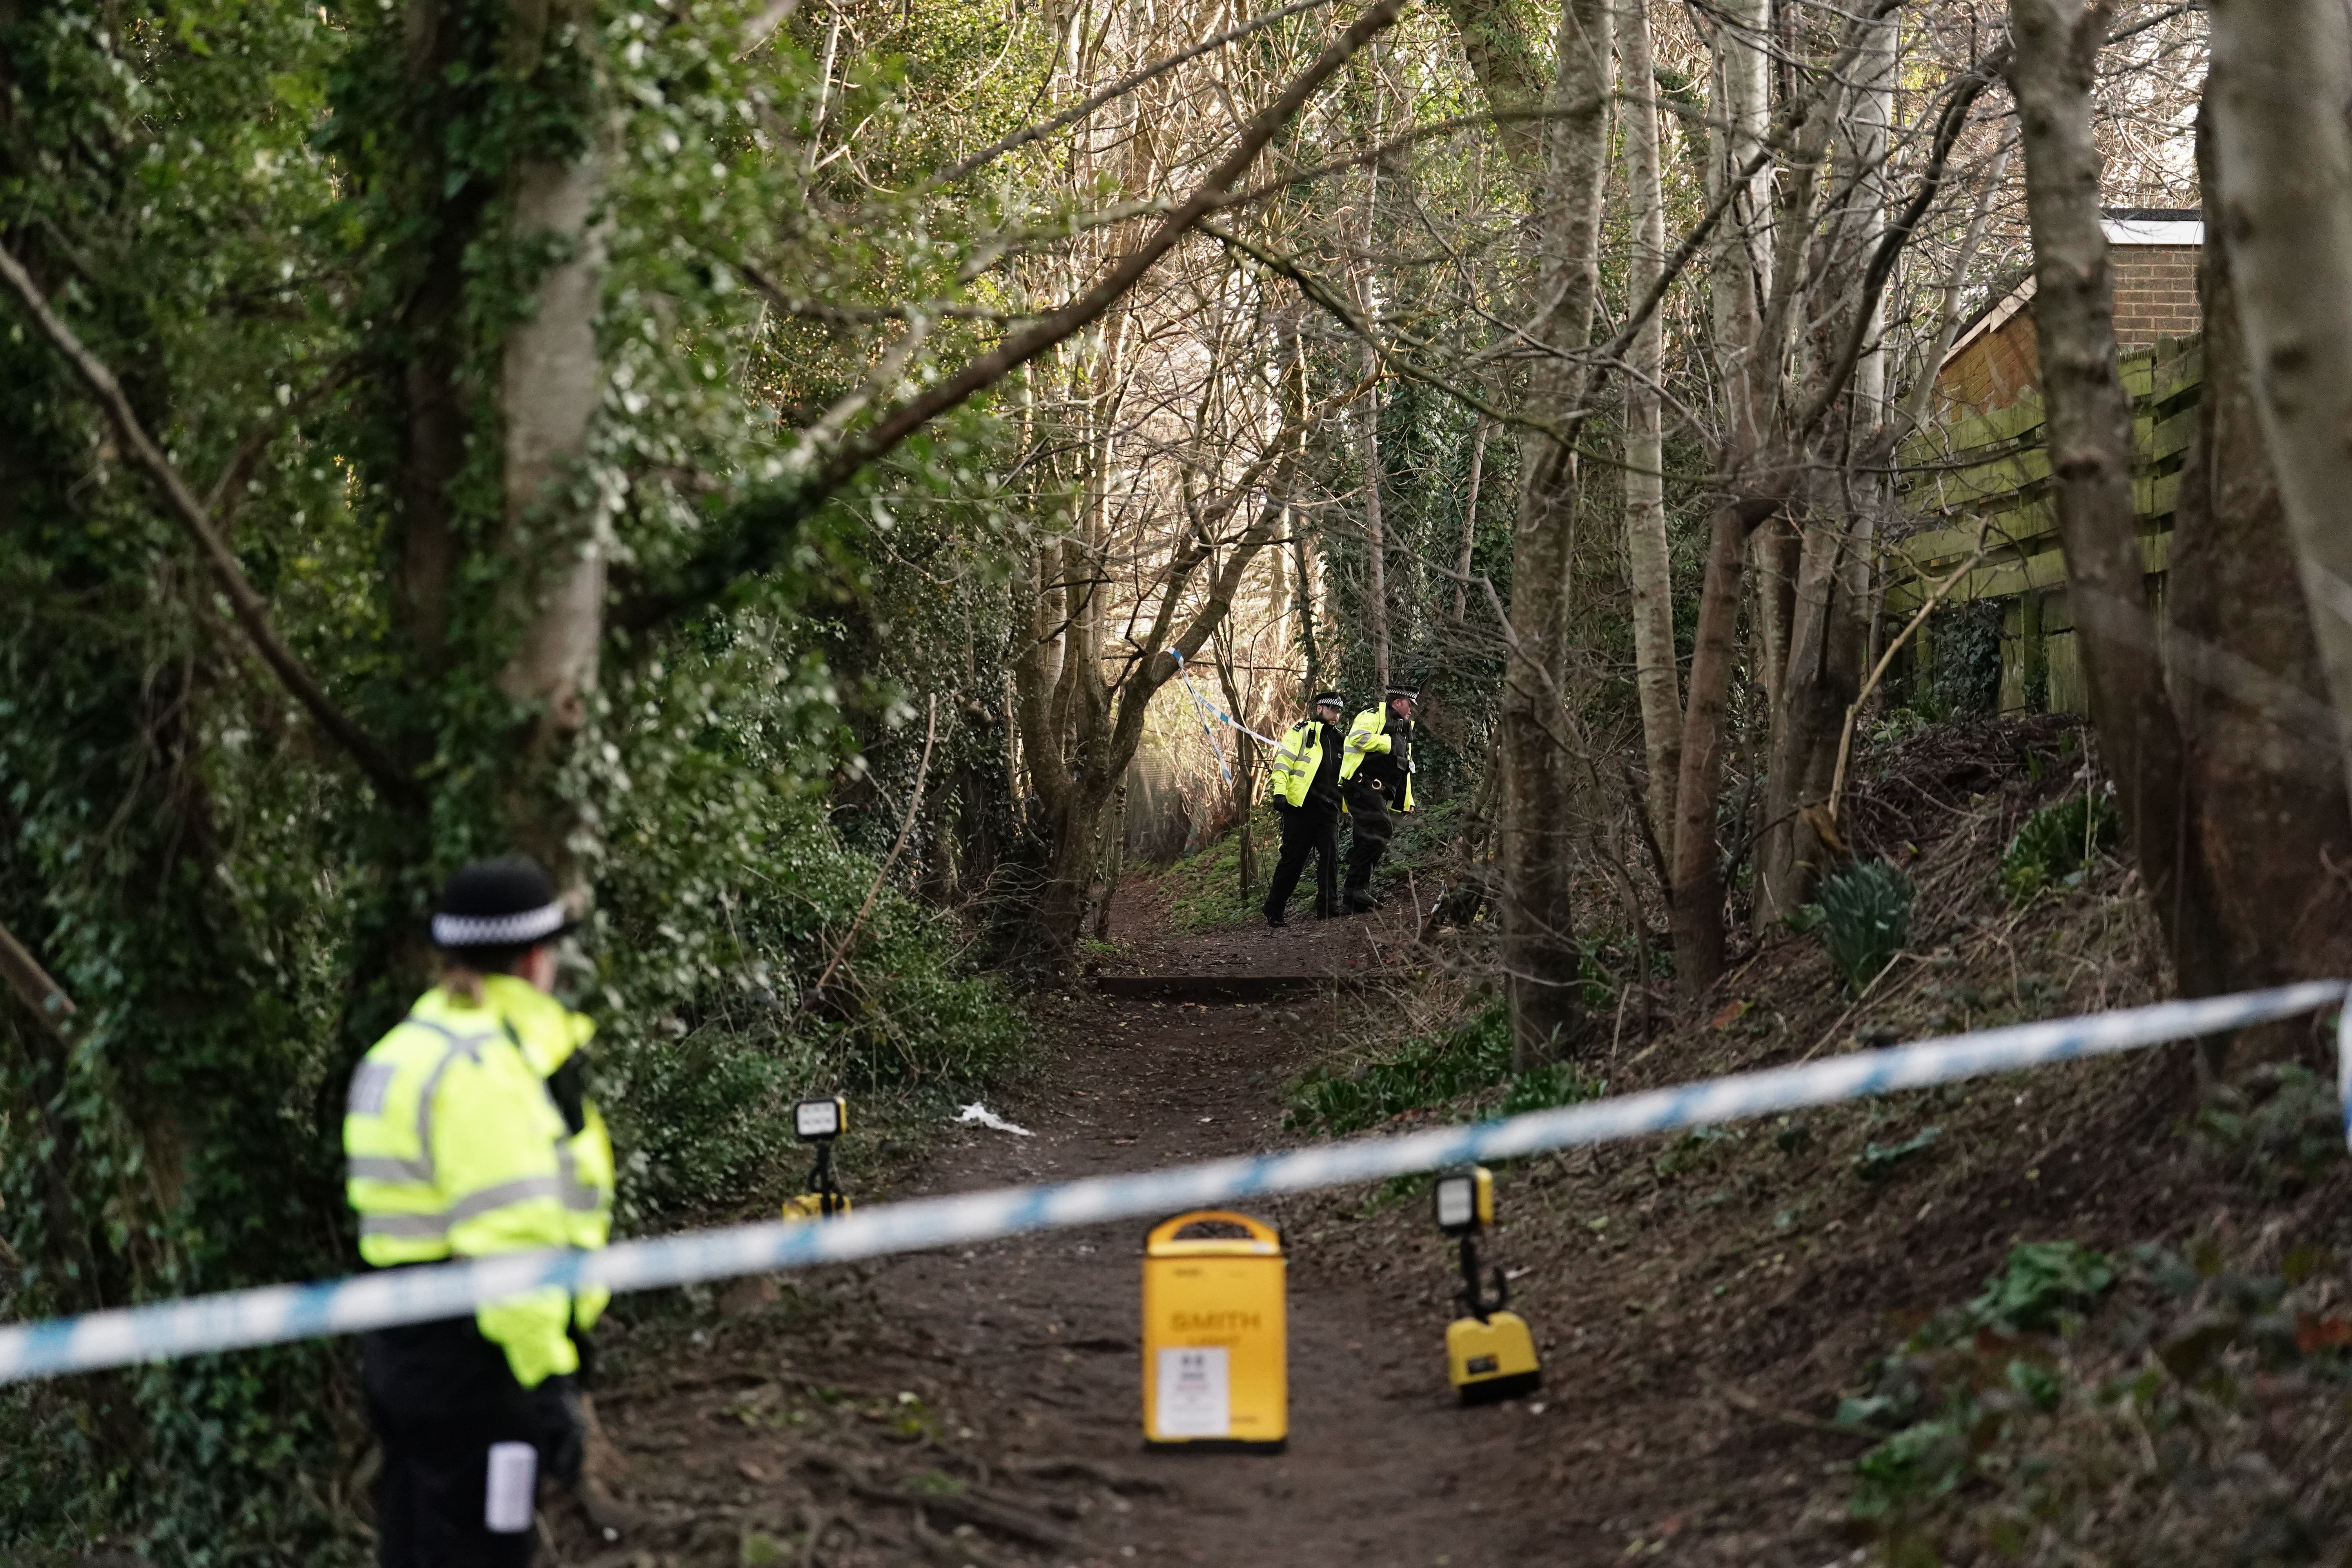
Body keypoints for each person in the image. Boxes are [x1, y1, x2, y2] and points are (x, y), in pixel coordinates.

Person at [345, 858, 611, 1567]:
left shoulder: (402, 1051)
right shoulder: (483, 1073)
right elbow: (510, 1244)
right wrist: (547, 1379)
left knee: (418, 1543)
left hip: (405, 1355)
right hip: (484, 1364)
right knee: (487, 1549)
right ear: (533, 959)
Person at [1261, 690, 1347, 927]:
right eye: (1332, 710)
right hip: (1300, 807)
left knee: (1330, 857)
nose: (1336, 716)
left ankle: (1328, 908)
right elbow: (1283, 762)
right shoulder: (1301, 732)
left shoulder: (1340, 740)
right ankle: (1274, 909)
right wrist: (1279, 792)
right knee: (1293, 860)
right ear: (1320, 709)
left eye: (1339, 712)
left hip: (1328, 810)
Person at [1339, 685, 1417, 914]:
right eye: (1410, 705)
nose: (1411, 711)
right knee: (1383, 829)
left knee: (1366, 838)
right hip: (1360, 784)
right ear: (1399, 702)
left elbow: (1406, 766)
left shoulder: (1404, 728)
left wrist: (1408, 799)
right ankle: (1354, 890)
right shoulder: (1372, 716)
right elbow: (1358, 739)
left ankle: (1353, 899)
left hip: (1377, 791)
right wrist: (1389, 744)